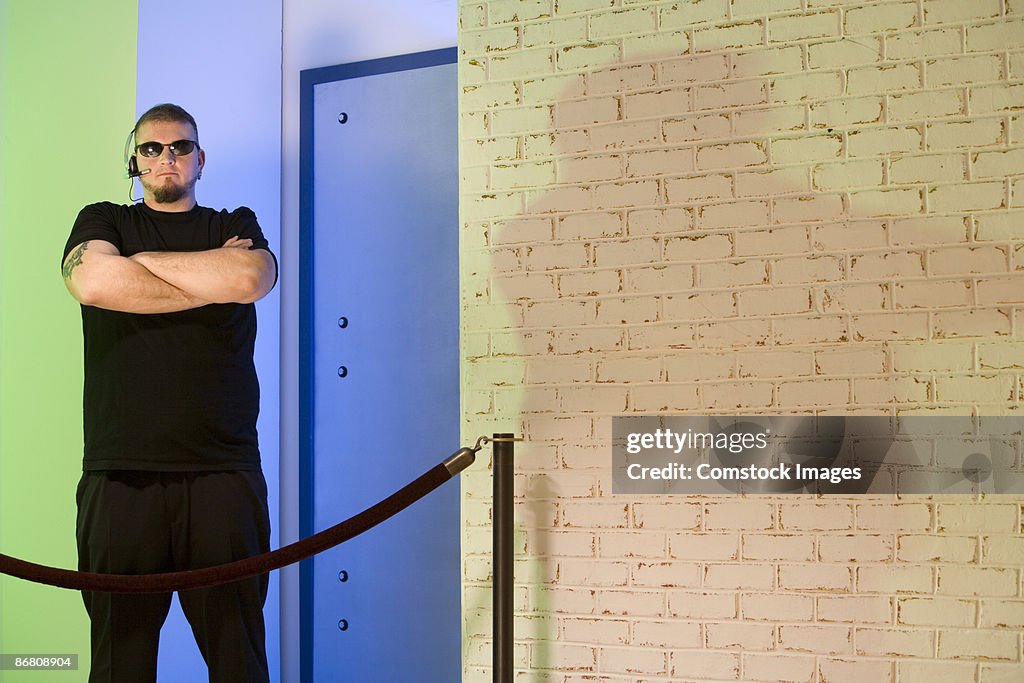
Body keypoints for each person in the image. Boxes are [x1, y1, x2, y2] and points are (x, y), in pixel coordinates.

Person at [61, 103, 277, 682]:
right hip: (119, 475)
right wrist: (208, 280)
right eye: (152, 148)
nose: (166, 158)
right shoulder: (102, 219)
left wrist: (141, 269)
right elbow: (92, 280)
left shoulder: (235, 220)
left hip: (223, 475)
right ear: (134, 160)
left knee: (239, 660)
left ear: (199, 158)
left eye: (179, 147)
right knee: (119, 663)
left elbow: (249, 278)